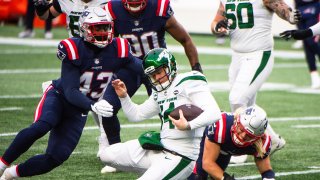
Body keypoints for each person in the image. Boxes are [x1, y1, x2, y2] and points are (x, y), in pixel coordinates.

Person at [0, 7, 144, 179]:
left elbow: (142, 69)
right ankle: (2, 164)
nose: (103, 32)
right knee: (42, 125)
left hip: (79, 109)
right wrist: (93, 105)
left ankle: (10, 174)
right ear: (84, 28)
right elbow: (70, 91)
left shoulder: (119, 48)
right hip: (60, 97)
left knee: (55, 158)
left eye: (105, 27)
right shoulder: (73, 48)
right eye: (98, 28)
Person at [99, 0, 203, 168]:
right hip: (128, 68)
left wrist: (197, 69)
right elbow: (106, 44)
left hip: (157, 70)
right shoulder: (113, 9)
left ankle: (178, 149)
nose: (134, 6)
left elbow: (185, 39)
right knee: (107, 107)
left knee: (171, 110)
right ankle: (114, 150)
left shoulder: (159, 8)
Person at [99, 48, 221, 179]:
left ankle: (161, 173)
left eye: (159, 72)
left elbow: (214, 113)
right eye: (152, 75)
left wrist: (188, 125)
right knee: (106, 155)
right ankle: (157, 172)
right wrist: (124, 97)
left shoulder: (189, 81)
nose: (157, 78)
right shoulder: (158, 91)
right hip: (160, 146)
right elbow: (136, 115)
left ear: (170, 66)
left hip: (180, 155)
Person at [210, 0, 301, 163]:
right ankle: (273, 140)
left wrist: (290, 16)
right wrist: (218, 27)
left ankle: (243, 148)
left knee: (237, 100)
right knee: (246, 106)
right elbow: (215, 22)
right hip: (237, 56)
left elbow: (282, 9)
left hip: (258, 54)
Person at [189, 105, 275, 180]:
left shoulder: (262, 143)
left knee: (216, 176)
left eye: (249, 135)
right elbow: (207, 163)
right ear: (236, 121)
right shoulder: (221, 126)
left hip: (225, 151)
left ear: (257, 138)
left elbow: (266, 172)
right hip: (207, 141)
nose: (242, 136)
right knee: (198, 177)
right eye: (241, 129)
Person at [280, 0, 320, 89]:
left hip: (314, 6)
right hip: (299, 7)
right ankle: (314, 76)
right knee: (306, 41)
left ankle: (315, 77)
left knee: (312, 41)